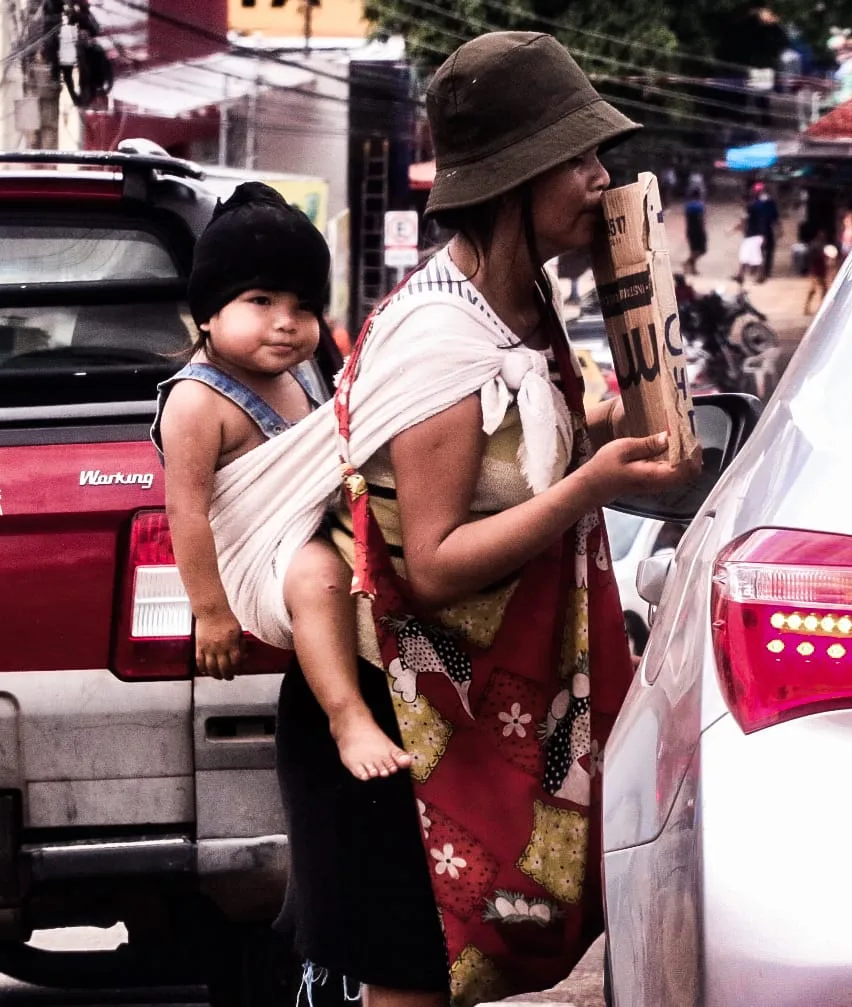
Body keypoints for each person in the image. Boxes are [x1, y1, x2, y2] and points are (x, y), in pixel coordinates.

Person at [274, 31, 700, 1007]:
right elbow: (428, 565)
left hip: (459, 715)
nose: (600, 178)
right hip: (393, 720)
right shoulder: (441, 338)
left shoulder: (522, 305)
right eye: (581, 159)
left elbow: (514, 462)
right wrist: (588, 485)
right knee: (414, 989)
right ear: (519, 179)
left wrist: (625, 409)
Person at [153, 182, 413, 782]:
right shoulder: (196, 400)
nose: (285, 324)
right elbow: (187, 513)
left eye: (302, 307)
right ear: (209, 313)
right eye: (261, 301)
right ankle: (346, 717)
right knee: (318, 573)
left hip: (311, 530)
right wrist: (210, 612)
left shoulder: (301, 379)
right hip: (257, 564)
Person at [745, 180, 781, 282]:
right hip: (764, 230)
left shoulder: (756, 204)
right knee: (765, 251)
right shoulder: (768, 202)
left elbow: (749, 215)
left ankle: (760, 271)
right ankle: (764, 271)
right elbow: (775, 217)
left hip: (758, 231)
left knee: (760, 251)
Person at [683, 184, 708, 275]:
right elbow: (701, 219)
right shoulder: (700, 205)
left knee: (693, 250)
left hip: (690, 230)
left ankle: (693, 268)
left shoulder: (688, 205)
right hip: (698, 230)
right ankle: (687, 263)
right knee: (701, 250)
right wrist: (702, 229)